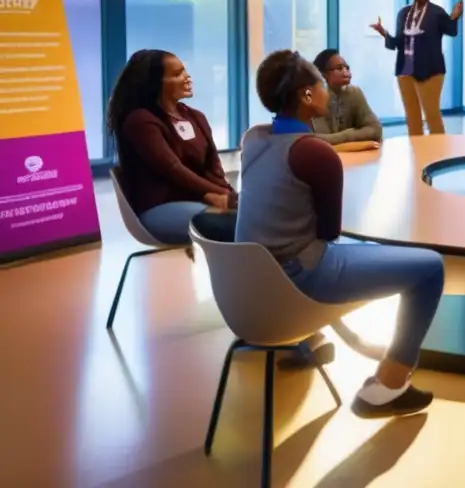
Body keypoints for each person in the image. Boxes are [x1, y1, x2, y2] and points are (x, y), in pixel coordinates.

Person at [235, 50, 445, 418]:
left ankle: (314, 340)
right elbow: (328, 232)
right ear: (306, 95)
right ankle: (390, 386)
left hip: (248, 284)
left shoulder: (253, 138)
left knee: (363, 248)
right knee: (430, 267)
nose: (325, 88)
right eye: (319, 81)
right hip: (297, 277)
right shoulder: (315, 154)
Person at [106, 49, 237, 245]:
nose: (187, 78)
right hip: (161, 206)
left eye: (185, 71)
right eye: (177, 74)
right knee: (237, 225)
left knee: (254, 217)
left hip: (199, 200)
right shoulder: (141, 121)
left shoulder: (196, 117)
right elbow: (174, 170)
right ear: (154, 84)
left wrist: (230, 196)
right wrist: (218, 195)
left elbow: (213, 167)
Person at [370, 0, 462, 136]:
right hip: (405, 70)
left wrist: (454, 17)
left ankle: (439, 151)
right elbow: (398, 42)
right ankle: (417, 153)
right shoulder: (403, 13)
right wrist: (383, 32)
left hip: (431, 70)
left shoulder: (437, 13)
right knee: (412, 116)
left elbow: (451, 31)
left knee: (431, 114)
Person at [310, 48, 383, 151]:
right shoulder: (314, 98)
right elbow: (316, 140)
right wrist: (355, 134)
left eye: (347, 68)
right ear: (323, 74)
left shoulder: (354, 93)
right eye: (339, 68)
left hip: (353, 157)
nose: (346, 72)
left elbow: (375, 130)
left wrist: (345, 136)